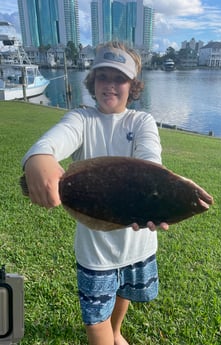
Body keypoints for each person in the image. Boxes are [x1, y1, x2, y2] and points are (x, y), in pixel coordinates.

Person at [22, 41, 169, 345]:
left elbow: (150, 160)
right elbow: (52, 142)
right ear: (92, 81)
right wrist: (39, 159)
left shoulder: (141, 121)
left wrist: (155, 193)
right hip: (96, 250)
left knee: (123, 292)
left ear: (133, 85)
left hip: (137, 242)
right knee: (95, 318)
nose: (110, 85)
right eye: (103, 76)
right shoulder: (82, 119)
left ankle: (117, 332)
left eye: (120, 78)